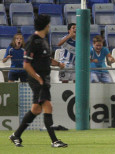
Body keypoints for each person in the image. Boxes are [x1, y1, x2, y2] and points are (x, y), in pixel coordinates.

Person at [9, 14, 67, 148]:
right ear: (45, 25)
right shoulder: (33, 41)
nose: (49, 26)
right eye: (48, 24)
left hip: (43, 78)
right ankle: (54, 141)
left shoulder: (43, 40)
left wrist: (57, 64)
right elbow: (26, 65)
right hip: (37, 79)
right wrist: (39, 79)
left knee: (36, 109)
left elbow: (45, 58)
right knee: (48, 106)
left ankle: (16, 135)